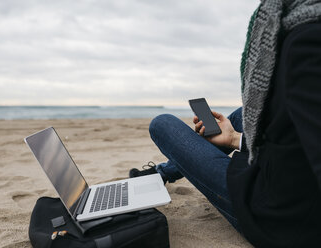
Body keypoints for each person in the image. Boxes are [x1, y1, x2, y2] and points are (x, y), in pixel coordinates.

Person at [129, 1, 321, 247]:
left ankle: (161, 173)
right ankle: (163, 172)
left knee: (162, 123)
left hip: (277, 215)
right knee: (246, 114)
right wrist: (233, 139)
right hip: (287, 176)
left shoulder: (308, 40)